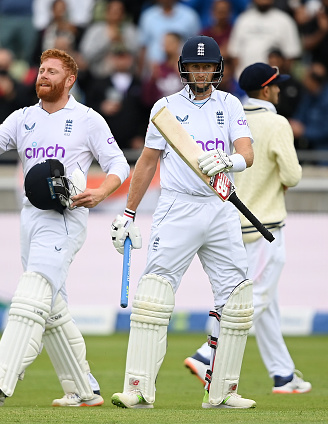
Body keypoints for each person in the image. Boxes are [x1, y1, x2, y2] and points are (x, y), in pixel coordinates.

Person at [0, 48, 130, 407]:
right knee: (52, 308)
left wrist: (102, 191)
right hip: (30, 217)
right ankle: (83, 389)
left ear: (69, 79)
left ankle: (0, 380)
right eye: (41, 70)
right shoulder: (23, 117)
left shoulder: (87, 119)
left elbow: (119, 163)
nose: (43, 76)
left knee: (32, 294)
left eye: (52, 71)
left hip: (66, 216)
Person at [109, 35, 256, 409]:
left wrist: (228, 162)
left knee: (237, 300)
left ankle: (223, 392)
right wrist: (128, 213)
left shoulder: (230, 103)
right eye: (195, 66)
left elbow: (247, 154)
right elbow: (147, 161)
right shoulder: (166, 107)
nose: (202, 72)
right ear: (184, 69)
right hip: (178, 207)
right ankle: (139, 389)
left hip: (220, 205)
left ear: (217, 69)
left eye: (208, 66)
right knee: (154, 295)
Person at [183, 62, 312, 395]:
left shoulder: (227, 115)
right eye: (277, 86)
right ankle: (207, 355)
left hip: (230, 222)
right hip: (265, 226)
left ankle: (283, 375)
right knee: (256, 298)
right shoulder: (275, 122)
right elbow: (293, 176)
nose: (281, 91)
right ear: (267, 90)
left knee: (267, 303)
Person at [289, 62, 328, 166]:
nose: (303, 80)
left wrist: (303, 131)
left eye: (306, 77)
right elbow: (300, 117)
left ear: (314, 81)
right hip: (315, 153)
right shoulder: (309, 96)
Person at [227, 0, 301, 78]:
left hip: (271, 82)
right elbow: (234, 53)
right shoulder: (243, 19)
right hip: (244, 81)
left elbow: (291, 55)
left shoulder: (285, 21)